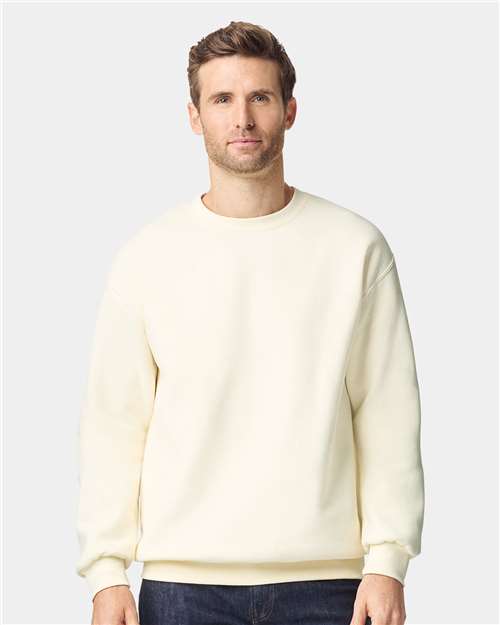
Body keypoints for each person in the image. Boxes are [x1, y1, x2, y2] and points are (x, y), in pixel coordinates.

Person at [76, 20, 425, 625]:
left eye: (259, 97)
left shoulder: (354, 249)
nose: (242, 118)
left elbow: (387, 411)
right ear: (194, 116)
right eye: (222, 99)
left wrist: (389, 561)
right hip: (183, 587)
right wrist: (106, 573)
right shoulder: (147, 257)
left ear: (290, 111)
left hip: (329, 587)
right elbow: (115, 424)